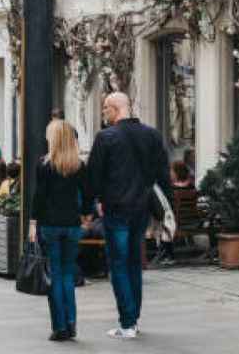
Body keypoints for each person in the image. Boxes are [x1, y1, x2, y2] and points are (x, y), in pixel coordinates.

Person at [87, 92, 170, 340]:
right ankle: (133, 319)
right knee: (135, 263)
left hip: (116, 209)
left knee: (119, 265)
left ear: (115, 108)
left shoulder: (106, 137)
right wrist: (164, 211)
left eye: (104, 109)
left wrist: (94, 202)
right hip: (141, 209)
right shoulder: (152, 135)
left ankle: (127, 322)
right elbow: (163, 174)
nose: (104, 114)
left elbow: (93, 176)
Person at [30, 120, 93, 341]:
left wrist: (33, 223)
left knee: (55, 275)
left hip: (50, 225)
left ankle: (60, 326)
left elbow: (39, 197)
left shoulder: (45, 165)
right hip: (72, 226)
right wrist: (86, 216)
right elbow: (88, 195)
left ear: (55, 139)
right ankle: (71, 322)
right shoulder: (79, 166)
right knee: (67, 275)